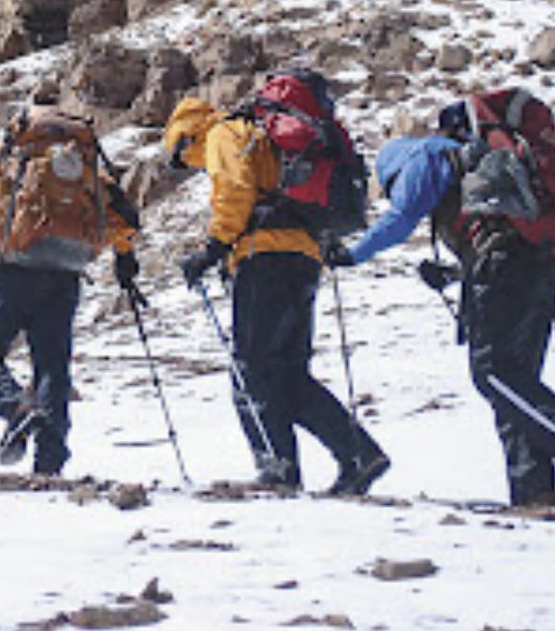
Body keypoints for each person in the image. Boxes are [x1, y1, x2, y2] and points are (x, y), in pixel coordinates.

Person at [344, 133, 555, 508]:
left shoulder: (420, 158)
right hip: (541, 267)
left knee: (492, 373)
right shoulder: (471, 166)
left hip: (506, 267)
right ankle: (534, 494)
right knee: (515, 385)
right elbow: (500, 238)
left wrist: (351, 254)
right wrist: (452, 276)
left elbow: (400, 220)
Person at [166, 96, 389, 493]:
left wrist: (213, 248)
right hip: (304, 256)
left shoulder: (223, 133)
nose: (193, 166)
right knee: (287, 373)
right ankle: (358, 454)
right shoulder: (260, 133)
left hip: (263, 256)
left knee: (251, 369)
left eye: (185, 157)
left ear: (187, 136)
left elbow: (235, 191)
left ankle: (277, 469)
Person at [0, 105, 140, 477]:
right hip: (66, 272)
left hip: (14, 269)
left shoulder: (10, 159)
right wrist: (125, 259)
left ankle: (16, 409)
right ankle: (50, 460)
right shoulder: (85, 169)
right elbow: (123, 215)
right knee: (52, 366)